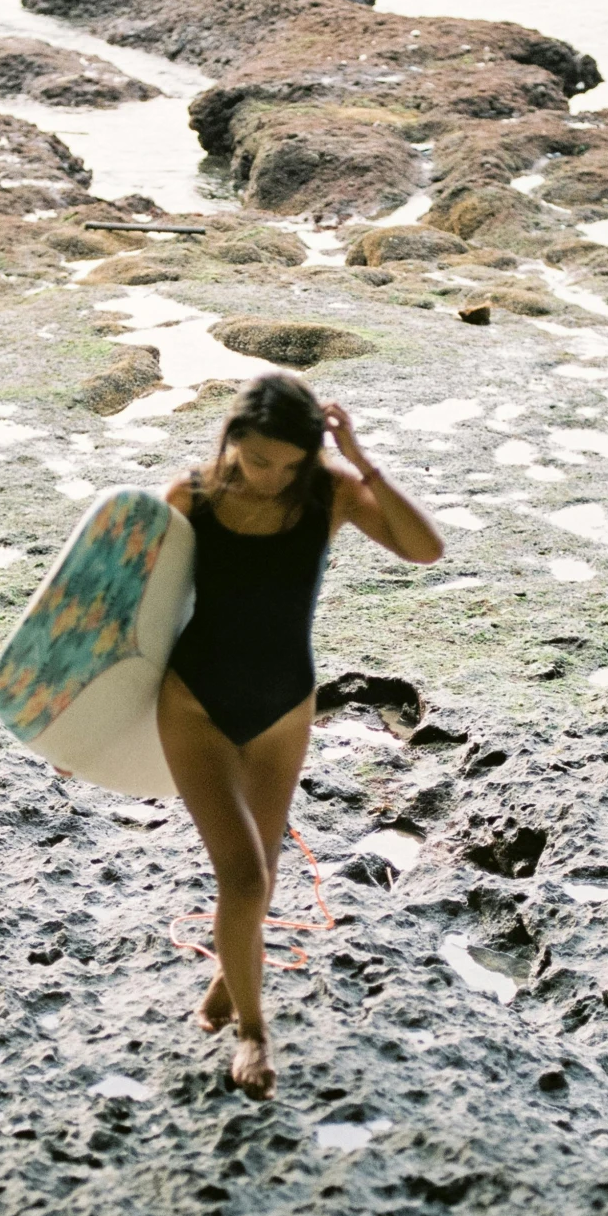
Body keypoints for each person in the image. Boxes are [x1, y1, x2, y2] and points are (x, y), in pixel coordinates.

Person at [158, 372, 443, 1101]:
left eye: (290, 463)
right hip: (194, 703)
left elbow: (425, 549)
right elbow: (130, 615)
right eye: (258, 461)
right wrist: (83, 731)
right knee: (245, 876)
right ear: (231, 440)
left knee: (267, 871)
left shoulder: (331, 489)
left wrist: (361, 456)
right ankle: (253, 1032)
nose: (273, 477)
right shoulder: (189, 496)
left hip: (285, 705)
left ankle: (231, 972)